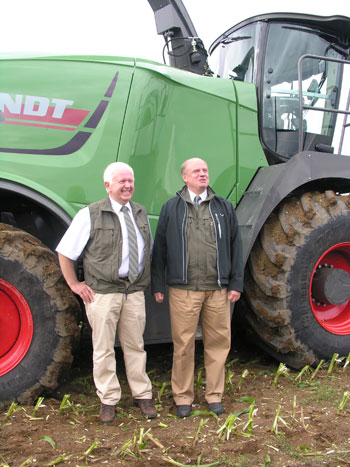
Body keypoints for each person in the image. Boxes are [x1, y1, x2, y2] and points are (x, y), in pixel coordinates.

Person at [56, 161, 157, 423]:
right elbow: (65, 252)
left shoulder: (140, 212)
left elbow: (148, 250)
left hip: (133, 291)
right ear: (107, 185)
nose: (127, 185)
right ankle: (108, 399)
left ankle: (142, 395)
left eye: (130, 181)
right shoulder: (90, 215)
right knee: (103, 349)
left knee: (136, 346)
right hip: (103, 293)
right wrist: (75, 285)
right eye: (121, 181)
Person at [151, 157, 243, 417]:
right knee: (183, 345)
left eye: (205, 170)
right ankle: (183, 398)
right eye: (196, 171)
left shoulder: (223, 207)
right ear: (184, 177)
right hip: (184, 290)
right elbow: (160, 249)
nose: (202, 174)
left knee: (218, 343)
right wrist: (158, 284)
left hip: (218, 289)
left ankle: (214, 396)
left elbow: (237, 247)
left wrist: (235, 283)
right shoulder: (171, 208)